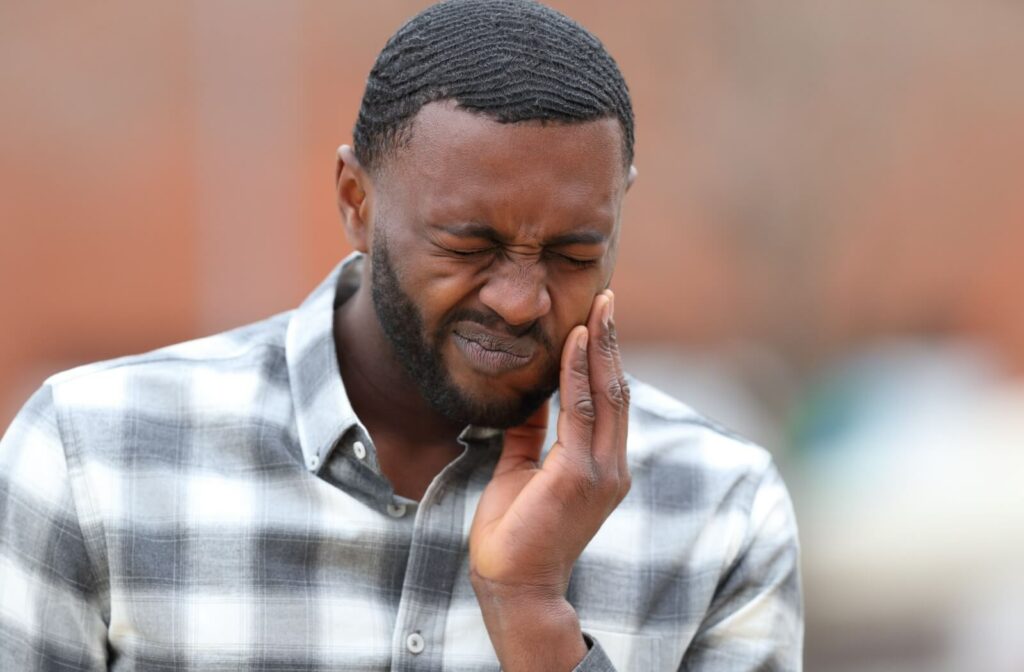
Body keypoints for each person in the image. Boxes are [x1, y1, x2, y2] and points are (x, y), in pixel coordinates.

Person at [0, 1, 801, 670]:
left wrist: (532, 620)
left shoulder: (719, 510)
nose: (521, 301)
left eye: (572, 254)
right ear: (356, 201)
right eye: (468, 245)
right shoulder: (92, 458)